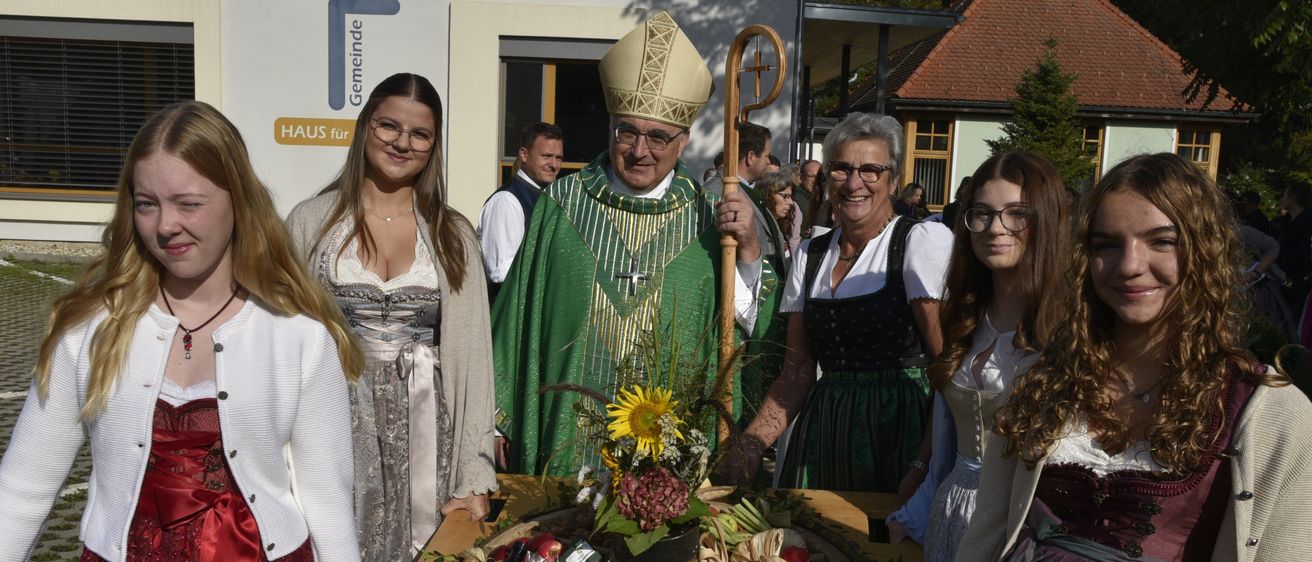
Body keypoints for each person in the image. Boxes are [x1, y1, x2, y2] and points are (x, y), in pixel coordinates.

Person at [0, 101, 362, 561]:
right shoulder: (89, 332)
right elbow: (20, 491)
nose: (166, 226)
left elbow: (328, 504)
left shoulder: (300, 338)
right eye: (147, 204)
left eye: (188, 204)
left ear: (239, 201)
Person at [956, 153, 1312, 561]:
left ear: (1204, 251)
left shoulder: (1272, 415)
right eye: (1107, 245)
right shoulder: (1039, 380)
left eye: (1162, 241)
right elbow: (984, 538)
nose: (1129, 266)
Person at [492, 11, 772, 476]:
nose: (640, 150)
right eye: (628, 131)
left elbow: (739, 325)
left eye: (658, 136)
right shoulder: (561, 204)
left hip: (671, 449)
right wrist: (498, 422)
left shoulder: (708, 219)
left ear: (683, 142)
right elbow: (517, 312)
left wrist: (748, 253)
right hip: (567, 446)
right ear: (611, 130)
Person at [286, 72, 497, 560]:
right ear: (365, 128)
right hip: (333, 419)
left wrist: (473, 474)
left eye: (419, 133)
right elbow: (282, 340)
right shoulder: (310, 222)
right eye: (388, 126)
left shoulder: (453, 233)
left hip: (426, 431)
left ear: (433, 145)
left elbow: (472, 359)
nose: (401, 142)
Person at [720, 113, 953, 493]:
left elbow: (946, 368)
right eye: (842, 169)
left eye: (871, 170)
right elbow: (796, 372)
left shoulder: (918, 242)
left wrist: (923, 463)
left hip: (899, 432)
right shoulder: (811, 255)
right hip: (823, 432)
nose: (855, 182)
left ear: (892, 179)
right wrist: (750, 443)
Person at [883, 153, 1070, 561]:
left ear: (1046, 220)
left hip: (1022, 524)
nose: (995, 228)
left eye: (1016, 213)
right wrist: (917, 498)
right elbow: (952, 437)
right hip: (952, 511)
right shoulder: (962, 317)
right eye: (981, 214)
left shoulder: (1069, 328)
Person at [479, 122, 564, 303]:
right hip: (510, 318)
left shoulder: (547, 198)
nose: (554, 165)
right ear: (524, 154)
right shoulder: (506, 201)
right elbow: (501, 274)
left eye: (558, 158)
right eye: (547, 156)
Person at [758, 169, 803, 257]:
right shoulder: (757, 225)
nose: (790, 202)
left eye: (790, 197)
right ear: (768, 195)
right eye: (785, 196)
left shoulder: (784, 223)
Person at [796, 159, 821, 233]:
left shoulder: (817, 199)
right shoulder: (798, 199)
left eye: (819, 177)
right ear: (800, 178)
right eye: (811, 176)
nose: (815, 181)